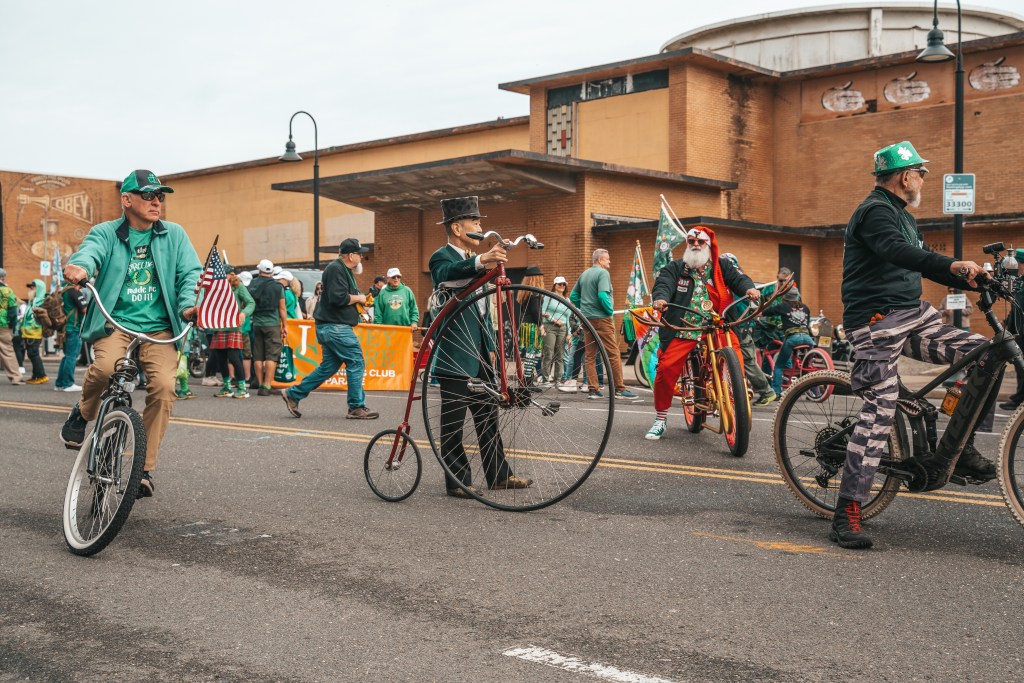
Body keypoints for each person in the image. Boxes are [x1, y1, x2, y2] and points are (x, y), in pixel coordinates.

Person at [833, 140, 995, 549]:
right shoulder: (874, 212)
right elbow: (897, 252)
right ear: (906, 176)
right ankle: (847, 511)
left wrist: (971, 277)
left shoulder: (902, 216)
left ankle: (963, 446)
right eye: (921, 173)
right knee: (880, 410)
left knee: (986, 355)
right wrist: (951, 263)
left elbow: (920, 259)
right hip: (876, 324)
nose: (923, 179)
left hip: (914, 316)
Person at [59, 169, 202, 498]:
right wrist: (80, 267)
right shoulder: (106, 232)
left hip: (160, 328)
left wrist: (187, 308)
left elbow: (190, 277)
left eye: (160, 196)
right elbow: (90, 252)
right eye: (149, 195)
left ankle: (144, 468)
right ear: (127, 200)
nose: (156, 202)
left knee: (165, 388)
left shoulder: (175, 235)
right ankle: (83, 412)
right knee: (106, 367)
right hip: (115, 323)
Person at [426, 195, 531, 497]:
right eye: (475, 222)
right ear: (458, 228)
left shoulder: (472, 263)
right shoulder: (442, 258)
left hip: (480, 354)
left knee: (487, 420)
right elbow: (448, 275)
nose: (480, 227)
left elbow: (482, 309)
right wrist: (482, 260)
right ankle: (457, 480)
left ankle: (499, 475)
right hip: (456, 355)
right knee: (453, 423)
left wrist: (492, 349)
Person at [645, 227, 759, 440]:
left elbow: (739, 279)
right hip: (685, 326)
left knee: (736, 356)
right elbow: (663, 285)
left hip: (718, 325)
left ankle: (735, 392)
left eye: (700, 242)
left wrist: (749, 289)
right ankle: (660, 418)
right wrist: (660, 299)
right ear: (687, 244)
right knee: (666, 368)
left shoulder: (721, 266)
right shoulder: (675, 268)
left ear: (708, 245)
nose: (695, 245)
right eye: (691, 242)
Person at [281, 238, 379, 420]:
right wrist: (359, 299)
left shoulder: (341, 270)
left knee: (328, 367)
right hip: (336, 327)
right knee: (356, 362)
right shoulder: (336, 269)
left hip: (329, 326)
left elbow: (339, 298)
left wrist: (359, 301)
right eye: (360, 254)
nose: (361, 257)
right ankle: (356, 407)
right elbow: (338, 298)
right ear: (351, 255)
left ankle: (293, 394)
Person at [569, 250, 639, 401]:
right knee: (613, 353)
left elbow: (573, 296)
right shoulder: (603, 274)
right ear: (600, 260)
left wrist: (584, 308)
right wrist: (609, 311)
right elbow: (602, 295)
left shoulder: (584, 274)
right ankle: (619, 389)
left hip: (586, 319)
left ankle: (593, 390)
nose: (609, 262)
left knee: (590, 356)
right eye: (607, 260)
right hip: (602, 318)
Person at [720, 253, 775, 406]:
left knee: (747, 360)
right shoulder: (739, 281)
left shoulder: (735, 284)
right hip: (739, 326)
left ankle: (766, 391)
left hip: (740, 327)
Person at [208, 267, 255, 399]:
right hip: (218, 326)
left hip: (233, 327)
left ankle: (242, 387)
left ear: (230, 274)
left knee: (234, 357)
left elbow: (251, 302)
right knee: (221, 358)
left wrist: (243, 313)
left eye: (224, 275)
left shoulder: (238, 286)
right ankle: (227, 386)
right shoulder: (216, 287)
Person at [760, 288, 813, 398]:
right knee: (808, 366)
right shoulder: (806, 308)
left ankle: (776, 392)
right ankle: (815, 392)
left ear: (785, 297)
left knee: (779, 366)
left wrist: (756, 313)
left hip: (793, 339)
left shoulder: (783, 306)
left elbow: (766, 312)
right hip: (808, 339)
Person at [247, 258, 287, 396]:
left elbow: (247, 303)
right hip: (273, 323)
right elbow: (282, 308)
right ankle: (267, 385)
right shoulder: (277, 287)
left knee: (258, 355)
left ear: (259, 270)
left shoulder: (252, 284)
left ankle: (259, 384)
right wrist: (285, 325)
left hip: (257, 323)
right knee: (271, 355)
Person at [1000, 248, 1024, 411]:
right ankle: (1019, 397)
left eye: (1019, 263)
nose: (1016, 266)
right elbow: (1016, 306)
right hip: (1018, 330)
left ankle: (1019, 399)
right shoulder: (1020, 281)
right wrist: (1007, 322)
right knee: (1019, 364)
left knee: (1021, 364)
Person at [54, 282, 88, 392]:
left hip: (65, 328)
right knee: (72, 356)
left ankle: (60, 383)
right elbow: (85, 309)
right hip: (73, 327)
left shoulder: (64, 291)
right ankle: (68, 384)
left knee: (67, 356)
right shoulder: (75, 292)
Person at [516, 266, 546, 384]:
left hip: (527, 325)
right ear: (537, 278)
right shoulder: (534, 293)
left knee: (534, 354)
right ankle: (527, 381)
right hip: (532, 326)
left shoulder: (526, 292)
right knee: (532, 354)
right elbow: (535, 312)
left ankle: (528, 380)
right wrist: (541, 326)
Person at [541, 276, 572, 385]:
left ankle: (558, 379)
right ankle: (545, 378)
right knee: (549, 353)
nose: (562, 286)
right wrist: (553, 320)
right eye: (560, 284)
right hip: (550, 326)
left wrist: (569, 333)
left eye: (564, 284)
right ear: (555, 285)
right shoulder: (548, 297)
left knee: (560, 355)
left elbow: (568, 318)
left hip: (563, 328)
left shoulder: (567, 299)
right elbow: (543, 311)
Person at [20, 280, 48, 384]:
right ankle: (35, 376)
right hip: (29, 333)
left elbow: (35, 319)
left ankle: (41, 375)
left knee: (33, 354)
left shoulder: (39, 301)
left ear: (38, 289)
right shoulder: (33, 301)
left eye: (33, 288)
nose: (30, 290)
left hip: (34, 333)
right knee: (32, 354)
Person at [0, 268, 24, 385]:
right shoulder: (7, 291)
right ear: (3, 278)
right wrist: (13, 325)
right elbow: (13, 310)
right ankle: (15, 376)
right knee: (7, 350)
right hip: (3, 324)